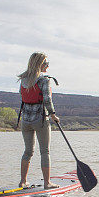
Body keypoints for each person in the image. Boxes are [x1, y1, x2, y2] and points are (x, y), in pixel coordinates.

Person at [17, 52, 60, 189]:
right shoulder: (44, 80)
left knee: (28, 151)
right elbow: (47, 100)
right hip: (40, 120)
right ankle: (47, 183)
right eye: (46, 63)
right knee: (45, 151)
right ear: (39, 64)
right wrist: (53, 115)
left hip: (25, 120)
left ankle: (23, 181)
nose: (47, 65)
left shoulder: (23, 79)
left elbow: (22, 96)